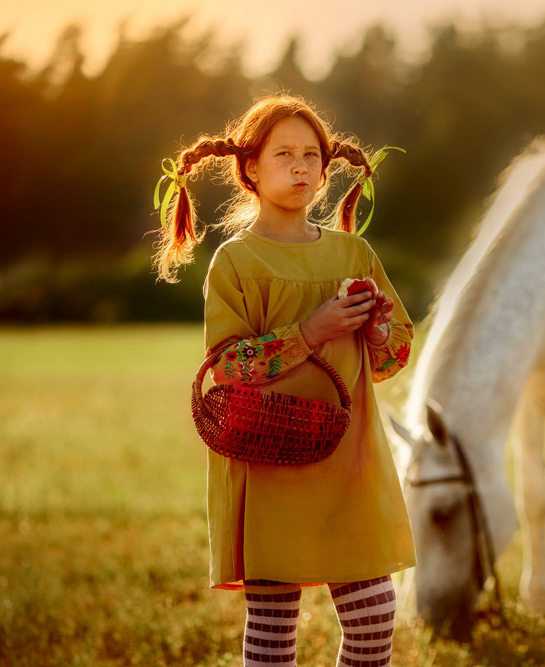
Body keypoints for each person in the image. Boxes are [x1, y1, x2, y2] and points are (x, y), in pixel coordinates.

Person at [152, 94, 415, 666]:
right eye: (284, 155)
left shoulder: (354, 253)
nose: (300, 167)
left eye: (311, 155)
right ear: (251, 169)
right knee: (273, 631)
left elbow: (392, 358)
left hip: (350, 460)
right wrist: (311, 332)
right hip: (270, 458)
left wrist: (375, 332)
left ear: (326, 168)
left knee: (374, 619)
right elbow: (227, 367)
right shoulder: (236, 262)